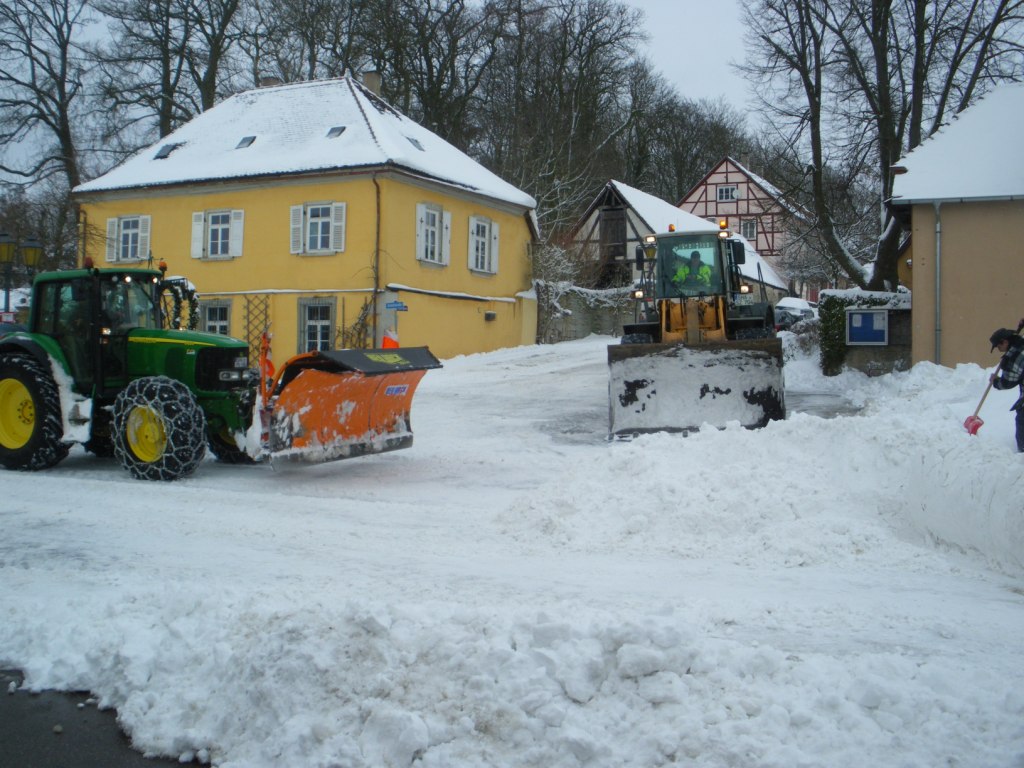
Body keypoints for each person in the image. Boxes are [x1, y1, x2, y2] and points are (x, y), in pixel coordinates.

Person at [988, 327, 1024, 452]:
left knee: (1022, 420)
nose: (999, 350)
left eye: (998, 346)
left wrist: (996, 381)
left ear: (1005, 342)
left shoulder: (1013, 358)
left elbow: (1008, 382)